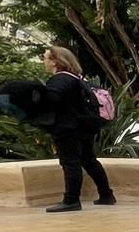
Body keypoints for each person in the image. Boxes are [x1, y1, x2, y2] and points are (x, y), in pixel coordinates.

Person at [41, 45, 114, 213]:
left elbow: (50, 101)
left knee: (70, 162)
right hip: (84, 126)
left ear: (55, 62)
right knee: (88, 159)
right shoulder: (76, 78)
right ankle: (106, 195)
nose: (43, 61)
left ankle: (71, 200)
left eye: (45, 58)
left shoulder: (59, 80)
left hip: (67, 128)